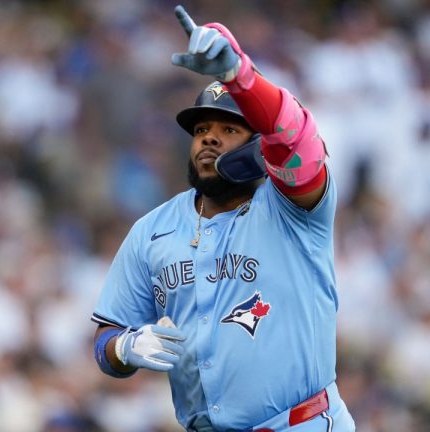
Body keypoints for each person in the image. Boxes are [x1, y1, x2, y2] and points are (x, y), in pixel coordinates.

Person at [91, 5, 356, 431]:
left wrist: (239, 74)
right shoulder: (151, 230)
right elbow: (105, 339)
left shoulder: (293, 207)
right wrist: (125, 346)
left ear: (258, 146)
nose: (209, 137)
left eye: (229, 129)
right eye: (200, 130)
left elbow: (295, 134)